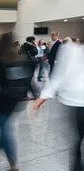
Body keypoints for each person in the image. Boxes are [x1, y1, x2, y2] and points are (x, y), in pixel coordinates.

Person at [33, 18, 84, 171]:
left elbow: (59, 76)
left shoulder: (71, 49)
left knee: (78, 140)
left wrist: (43, 97)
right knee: (81, 139)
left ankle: (81, 166)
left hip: (74, 102)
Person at [0, 32, 34, 171]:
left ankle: (13, 164)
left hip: (2, 99)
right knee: (5, 127)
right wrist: (36, 94)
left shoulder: (1, 60)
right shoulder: (20, 59)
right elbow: (29, 78)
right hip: (15, 100)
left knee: (5, 130)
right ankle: (13, 163)